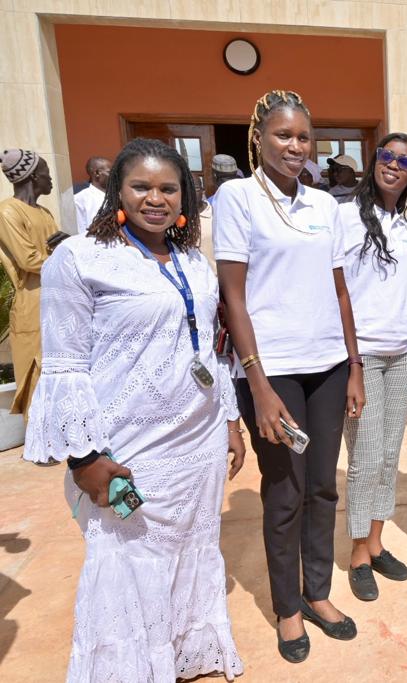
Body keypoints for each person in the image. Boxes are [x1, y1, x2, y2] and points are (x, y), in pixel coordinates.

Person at [23, 138, 245, 681]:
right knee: (125, 563)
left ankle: (181, 654)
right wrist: (85, 457)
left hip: (198, 441)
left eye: (169, 188)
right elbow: (66, 364)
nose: (155, 199)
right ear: (115, 190)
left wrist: (231, 421)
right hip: (126, 448)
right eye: (141, 187)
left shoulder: (193, 259)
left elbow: (208, 350)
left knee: (192, 550)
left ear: (185, 196)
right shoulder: (78, 258)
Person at [216, 90, 366, 663]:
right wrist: (255, 383)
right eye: (283, 135)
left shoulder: (324, 205)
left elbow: (339, 290)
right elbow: (233, 295)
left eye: (304, 137)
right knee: (284, 492)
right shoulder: (237, 198)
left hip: (327, 367)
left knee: (324, 486)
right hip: (272, 372)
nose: (295, 147)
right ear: (258, 137)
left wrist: (353, 366)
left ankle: (318, 593)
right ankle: (286, 609)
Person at [339, 134, 407, 600]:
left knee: (389, 454)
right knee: (365, 456)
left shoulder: (406, 227)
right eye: (387, 156)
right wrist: (351, 363)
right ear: (375, 162)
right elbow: (339, 293)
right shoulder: (345, 218)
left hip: (404, 351)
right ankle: (356, 553)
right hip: (364, 355)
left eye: (404, 161)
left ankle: (376, 542)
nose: (394, 165)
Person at [0, 149, 57, 420]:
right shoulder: (7, 211)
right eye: (46, 172)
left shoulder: (44, 212)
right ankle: (38, 437)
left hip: (56, 296)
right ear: (34, 176)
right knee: (36, 368)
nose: (50, 179)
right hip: (31, 300)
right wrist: (65, 258)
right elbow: (29, 260)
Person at [73, 156, 111, 232]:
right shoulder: (80, 199)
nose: (115, 176)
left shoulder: (118, 196)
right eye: (110, 172)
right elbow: (79, 231)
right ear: (97, 173)